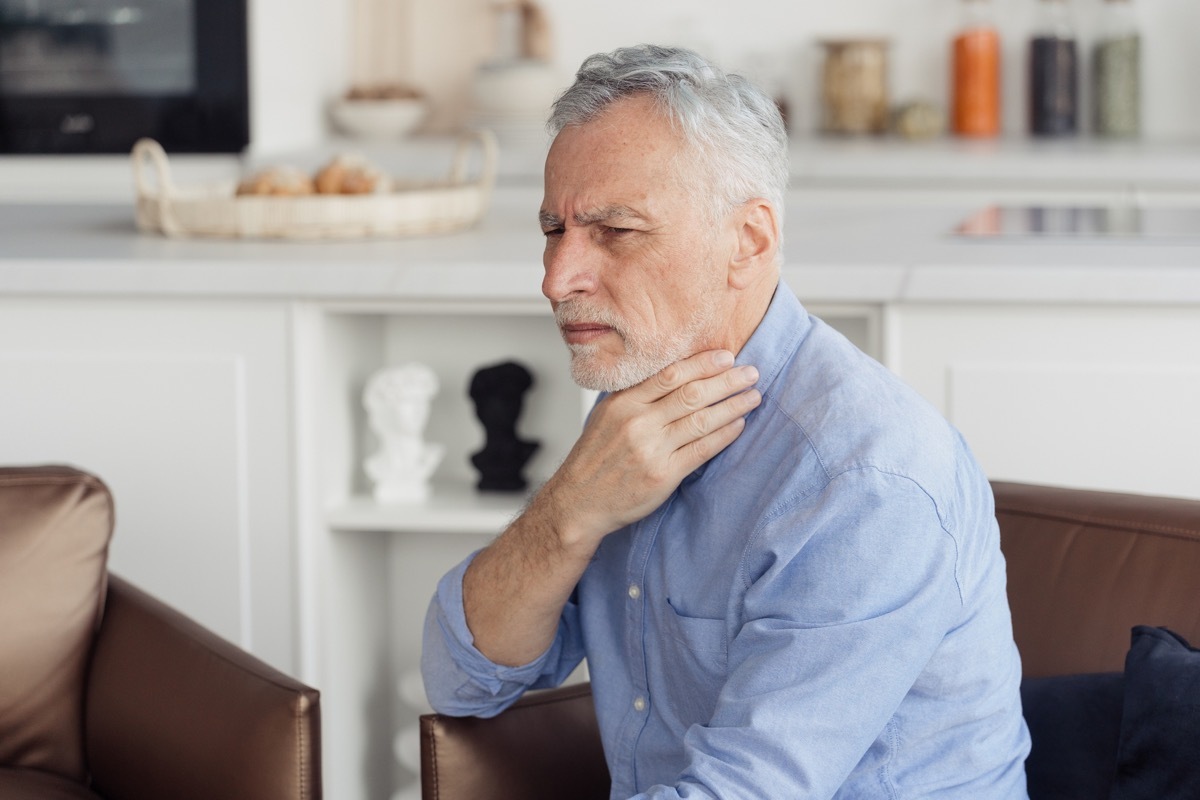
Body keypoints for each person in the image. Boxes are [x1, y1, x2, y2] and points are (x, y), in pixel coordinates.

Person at [422, 44, 1031, 799]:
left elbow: (747, 790)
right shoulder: (637, 410)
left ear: (748, 241)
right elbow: (459, 681)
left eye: (615, 231)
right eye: (554, 229)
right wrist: (570, 511)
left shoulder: (867, 477)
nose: (555, 278)